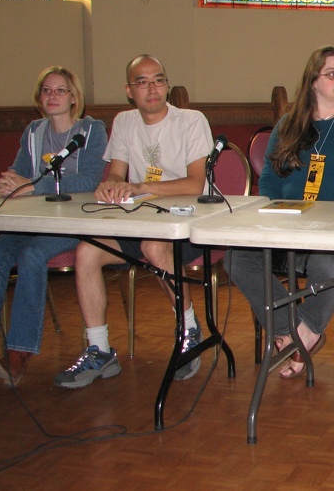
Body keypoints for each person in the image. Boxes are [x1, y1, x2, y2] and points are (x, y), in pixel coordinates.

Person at [54, 54, 214, 389]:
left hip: (187, 222)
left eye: (159, 80)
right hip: (139, 220)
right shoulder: (125, 122)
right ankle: (99, 350)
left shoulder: (190, 120)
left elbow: (194, 183)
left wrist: (140, 186)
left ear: (167, 85)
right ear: (130, 91)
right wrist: (111, 184)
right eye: (143, 82)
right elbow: (116, 170)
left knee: (153, 246)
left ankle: (189, 330)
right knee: (87, 252)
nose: (153, 88)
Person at [226, 45, 334, 378]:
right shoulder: (289, 125)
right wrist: (276, 211)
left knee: (327, 263)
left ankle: (305, 333)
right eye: (331, 74)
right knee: (237, 257)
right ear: (313, 81)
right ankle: (288, 329)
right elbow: (269, 179)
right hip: (289, 226)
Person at [0, 67, 107, 384]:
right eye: (46, 90)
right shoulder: (33, 132)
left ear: (74, 97)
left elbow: (89, 179)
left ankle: (18, 352)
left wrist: (32, 186)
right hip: (31, 218)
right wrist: (8, 184)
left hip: (75, 221)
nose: (52, 96)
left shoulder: (90, 131)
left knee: (33, 254)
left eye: (60, 90)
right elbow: (18, 173)